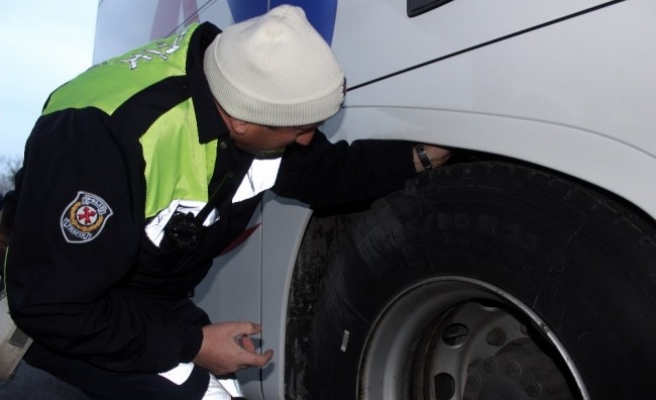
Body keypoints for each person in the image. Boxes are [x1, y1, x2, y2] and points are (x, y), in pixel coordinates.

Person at [2, 5, 450, 400]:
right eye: (298, 129)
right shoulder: (101, 138)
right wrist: (194, 343)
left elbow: (322, 172)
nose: (308, 139)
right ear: (239, 119)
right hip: (63, 325)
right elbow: (53, 305)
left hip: (147, 304)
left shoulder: (248, 87)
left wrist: (420, 157)